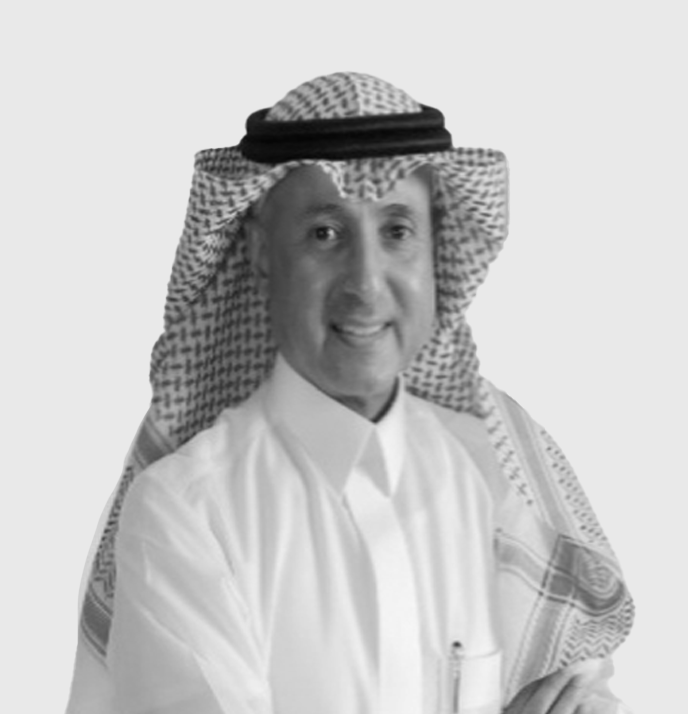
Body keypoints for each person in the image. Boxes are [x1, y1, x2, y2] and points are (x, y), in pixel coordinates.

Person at [66, 72, 634, 714]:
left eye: (397, 231)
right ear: (260, 251)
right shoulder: (187, 512)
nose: (365, 285)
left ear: (435, 248)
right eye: (325, 234)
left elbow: (581, 692)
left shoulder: (498, 470)